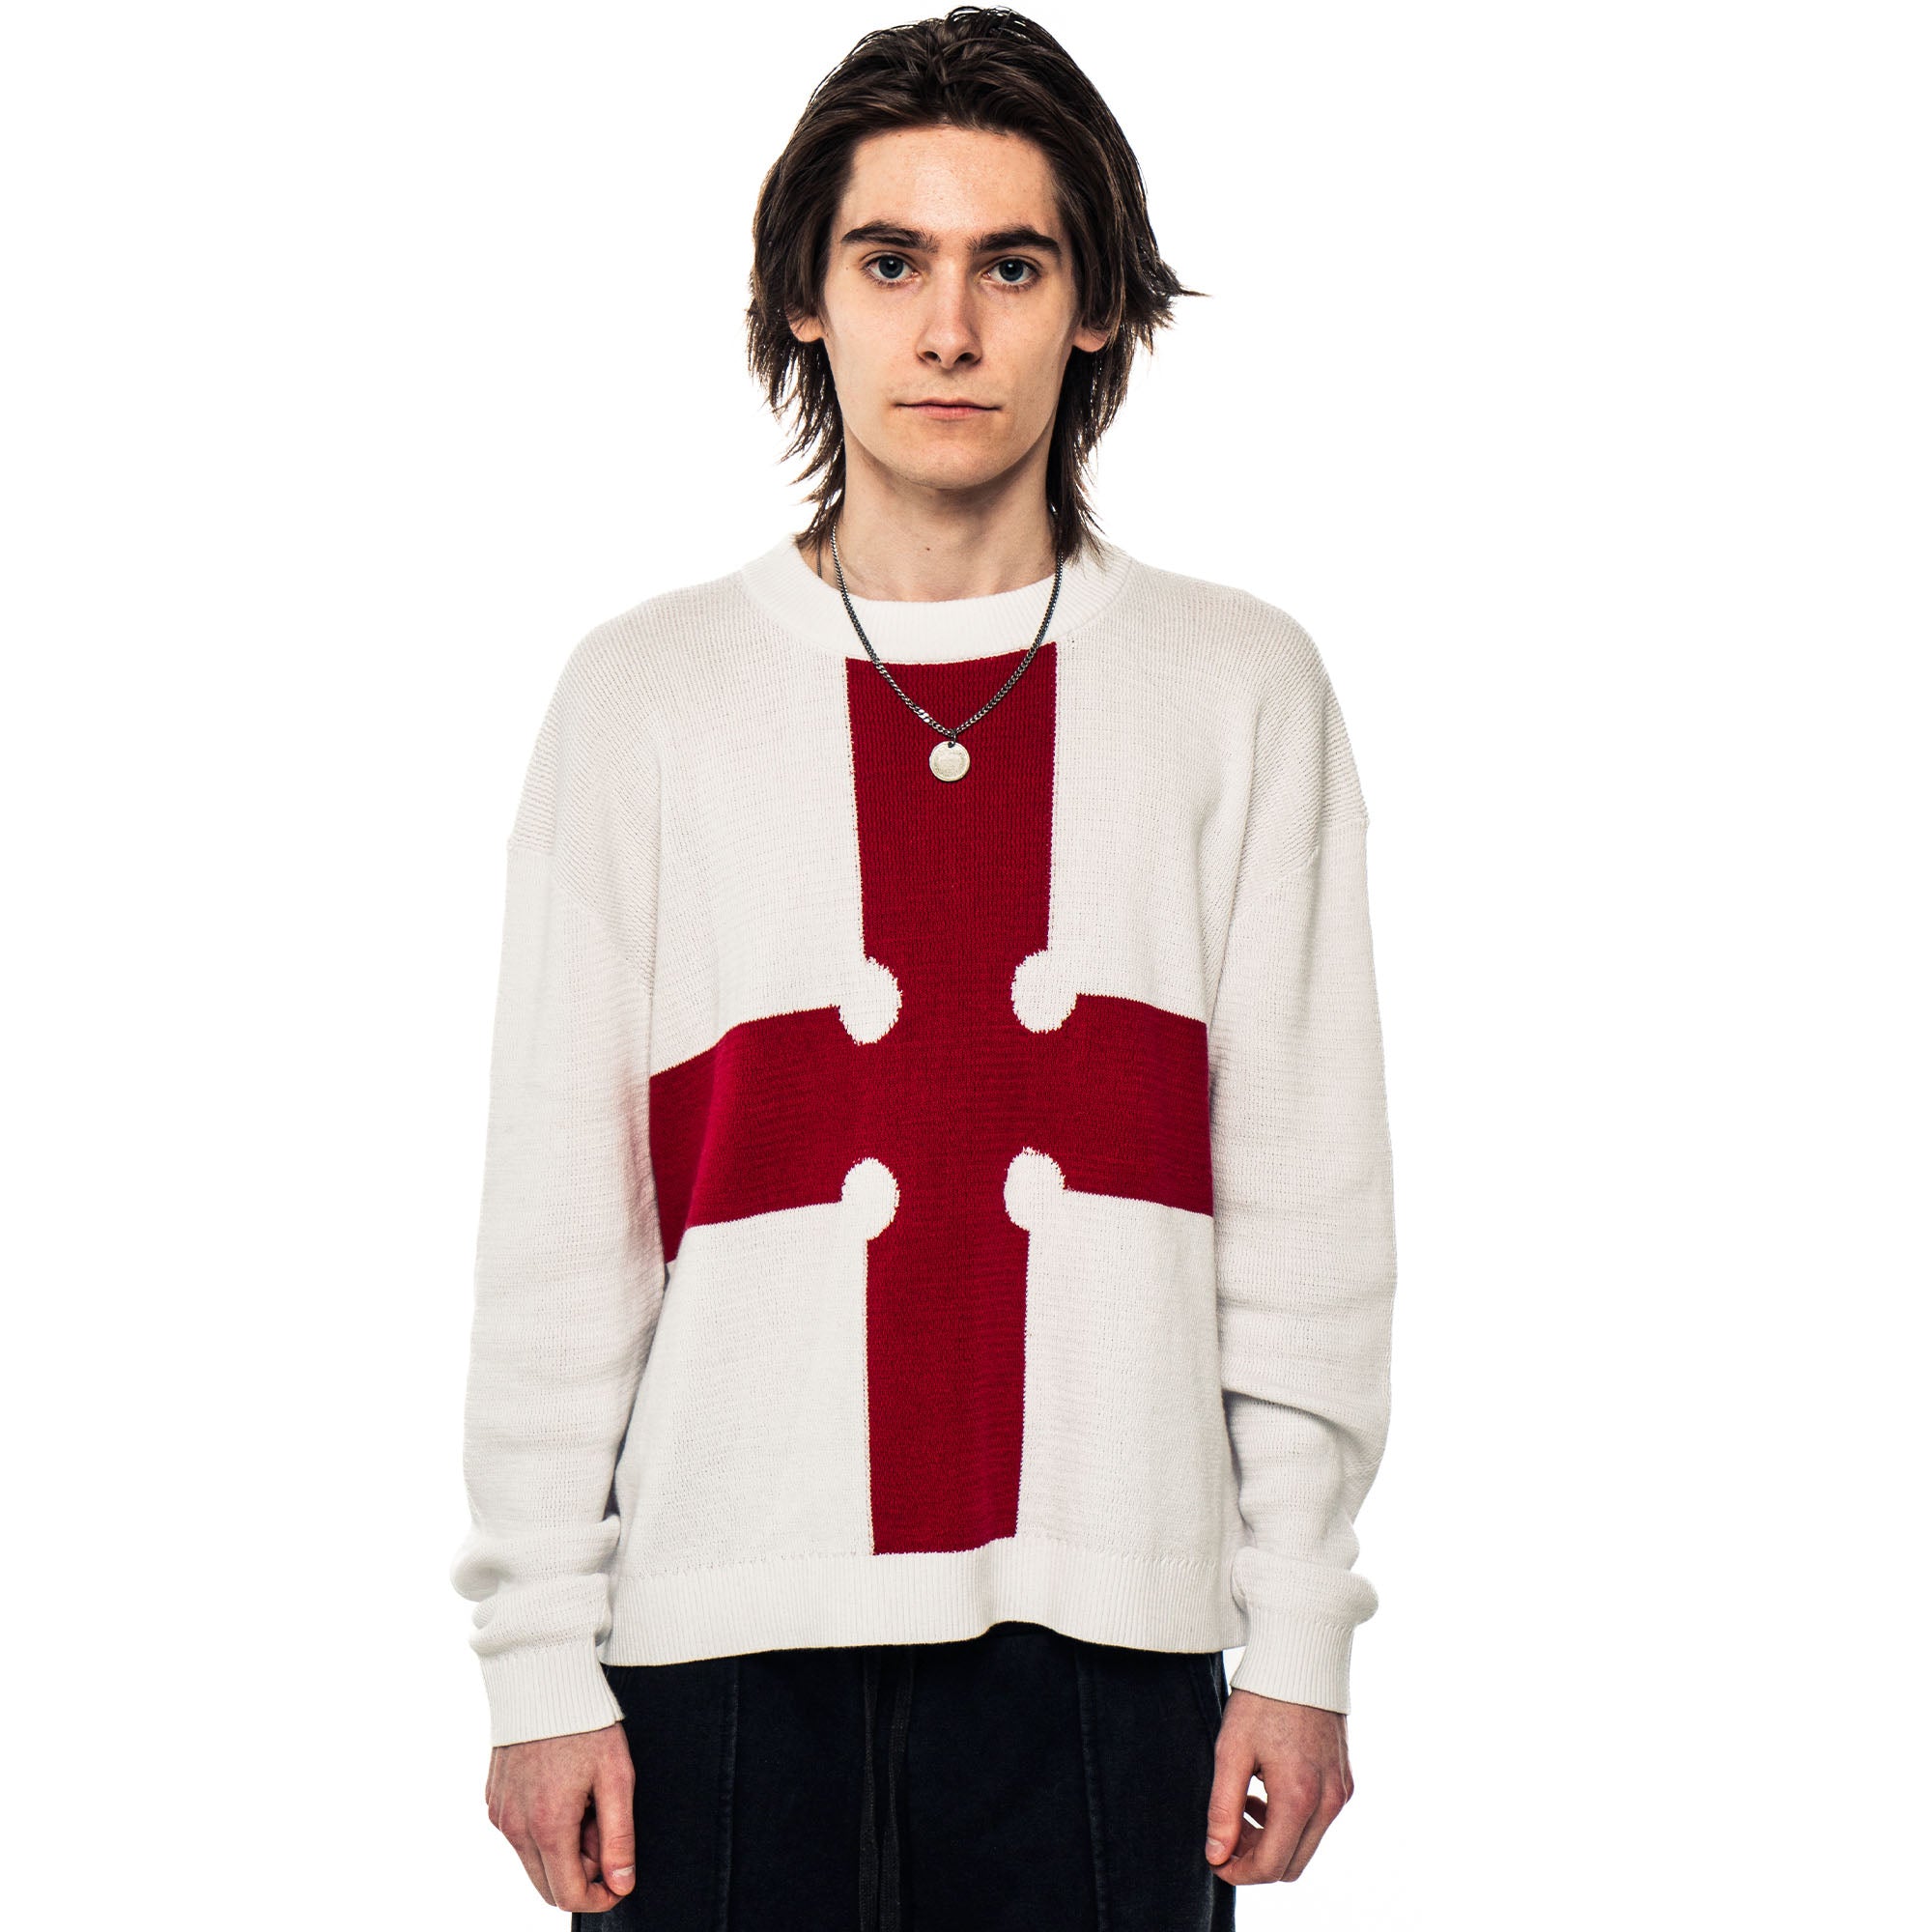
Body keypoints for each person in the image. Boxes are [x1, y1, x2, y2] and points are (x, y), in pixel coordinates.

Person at [449, 9, 1398, 1926]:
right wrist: (538, 1654)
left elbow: (1307, 1201)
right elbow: (564, 1216)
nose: (948, 329)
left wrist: (1299, 1629)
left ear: (1097, 308)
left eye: (1010, 265)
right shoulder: (646, 697)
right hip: (715, 1652)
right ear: (804, 299)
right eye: (891, 262)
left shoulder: (1237, 689)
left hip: (1115, 1656)